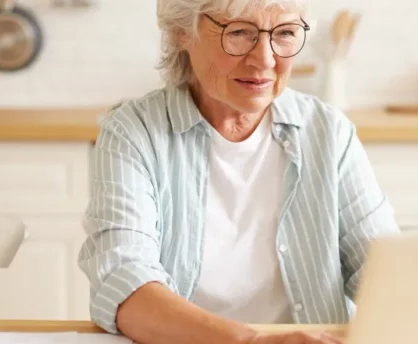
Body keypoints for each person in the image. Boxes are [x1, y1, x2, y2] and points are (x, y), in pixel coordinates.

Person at [76, 0, 400, 343]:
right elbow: (127, 287)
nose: (264, 59)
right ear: (181, 33)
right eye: (240, 33)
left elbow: (384, 274)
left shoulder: (328, 132)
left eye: (285, 33)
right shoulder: (133, 133)